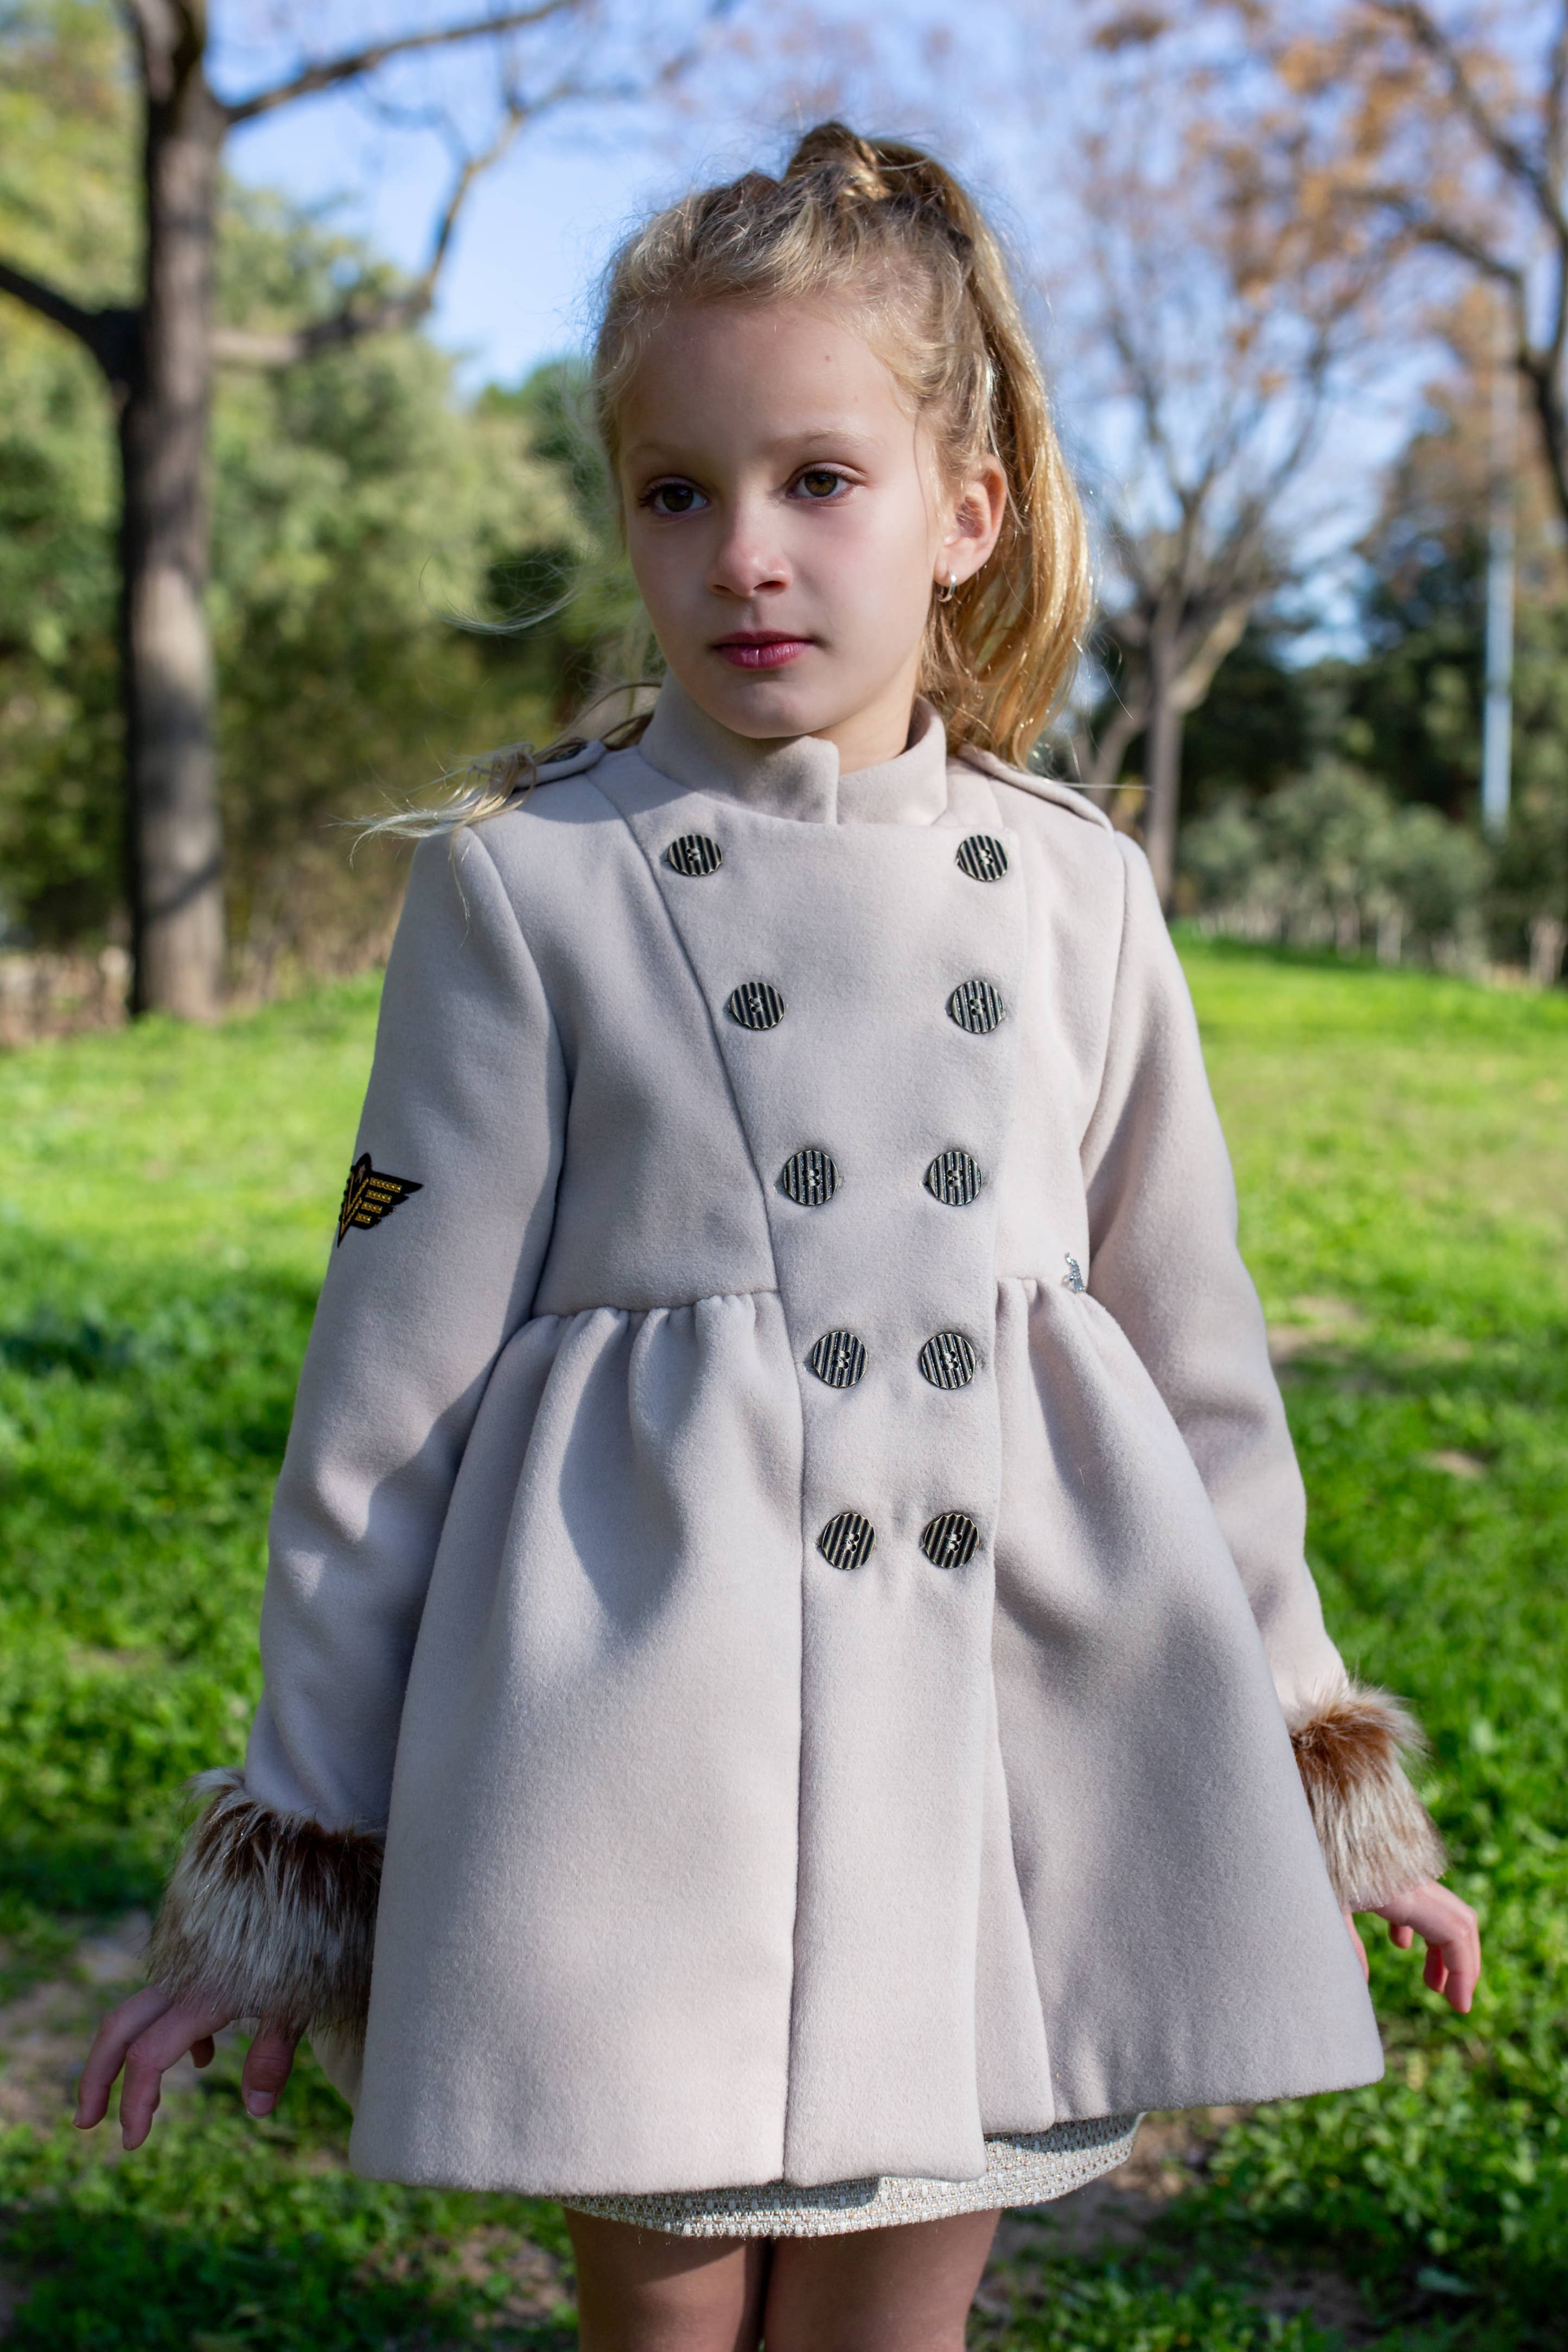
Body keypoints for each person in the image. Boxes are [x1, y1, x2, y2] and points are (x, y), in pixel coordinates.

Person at [77, 124, 1481, 2352]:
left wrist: (1315, 1751)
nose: (744, 553)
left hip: (996, 1742)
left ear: (966, 513)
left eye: (820, 480)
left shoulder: (1080, 889)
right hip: (639, 1761)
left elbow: (1194, 1344)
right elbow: (383, 1391)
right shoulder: (525, 885)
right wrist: (295, 1850)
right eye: (676, 492)